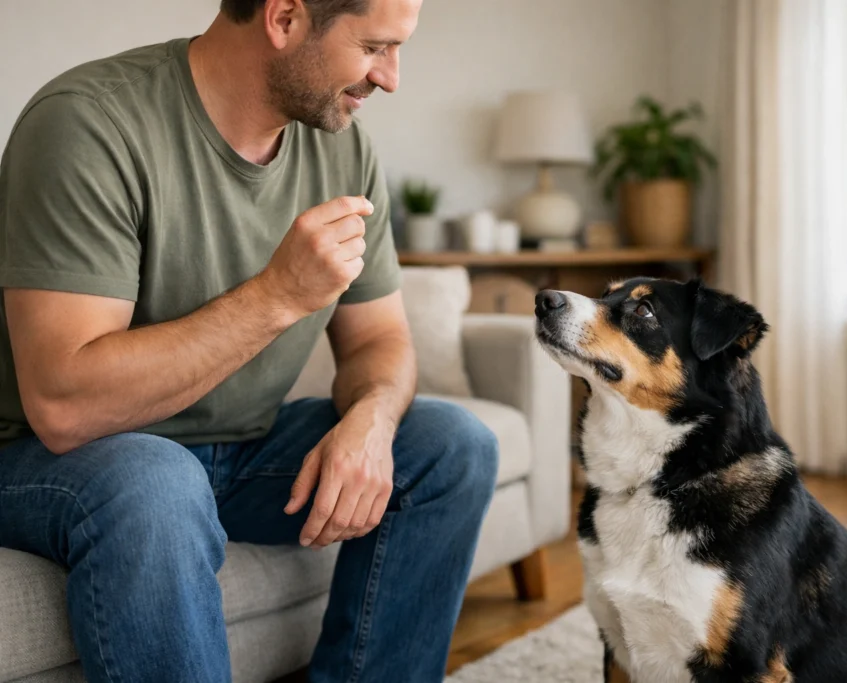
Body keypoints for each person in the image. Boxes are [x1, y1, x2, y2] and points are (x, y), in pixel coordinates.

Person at [0, 0, 500, 681]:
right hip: (48, 456)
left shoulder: (342, 144)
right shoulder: (88, 123)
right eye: (375, 47)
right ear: (285, 17)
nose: (391, 78)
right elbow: (63, 406)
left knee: (451, 446)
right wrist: (277, 295)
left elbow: (379, 337)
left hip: (238, 447)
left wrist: (372, 422)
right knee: (155, 481)